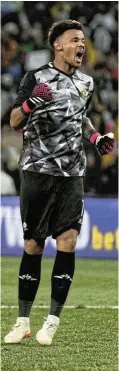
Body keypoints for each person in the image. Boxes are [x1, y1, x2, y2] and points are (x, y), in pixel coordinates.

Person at [4, 19, 115, 345]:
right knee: (33, 245)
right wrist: (31, 102)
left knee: (67, 241)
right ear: (58, 45)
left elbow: (79, 116)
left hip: (72, 175)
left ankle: (51, 321)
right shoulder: (35, 78)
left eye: (83, 40)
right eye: (75, 40)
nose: (81, 45)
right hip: (38, 172)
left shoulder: (86, 82)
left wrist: (96, 138)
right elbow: (14, 120)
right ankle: (23, 320)